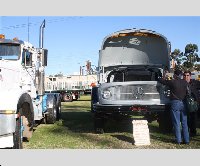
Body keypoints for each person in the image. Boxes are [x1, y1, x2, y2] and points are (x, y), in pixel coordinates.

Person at [159, 69, 189, 144]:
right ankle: (187, 140)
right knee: (185, 123)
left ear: (175, 75)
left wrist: (165, 74)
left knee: (176, 122)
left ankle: (178, 140)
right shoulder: (185, 82)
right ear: (181, 75)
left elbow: (161, 81)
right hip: (184, 103)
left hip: (175, 103)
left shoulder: (172, 82)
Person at [183, 70, 200, 137]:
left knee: (194, 118)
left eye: (187, 76)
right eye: (185, 75)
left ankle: (193, 132)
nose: (186, 77)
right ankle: (187, 132)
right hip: (185, 104)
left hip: (194, 104)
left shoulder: (195, 82)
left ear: (190, 76)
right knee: (187, 119)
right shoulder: (181, 83)